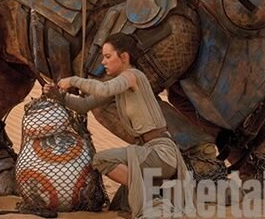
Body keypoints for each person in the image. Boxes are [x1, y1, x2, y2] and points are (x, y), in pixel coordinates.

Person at [45, 33, 191, 218]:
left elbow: (104, 88)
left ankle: (152, 197)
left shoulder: (132, 76)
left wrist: (73, 80)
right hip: (147, 153)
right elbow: (84, 105)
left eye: (108, 56)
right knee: (121, 206)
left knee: (101, 160)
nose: (103, 62)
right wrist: (58, 96)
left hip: (161, 154)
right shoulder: (120, 85)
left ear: (124, 57)